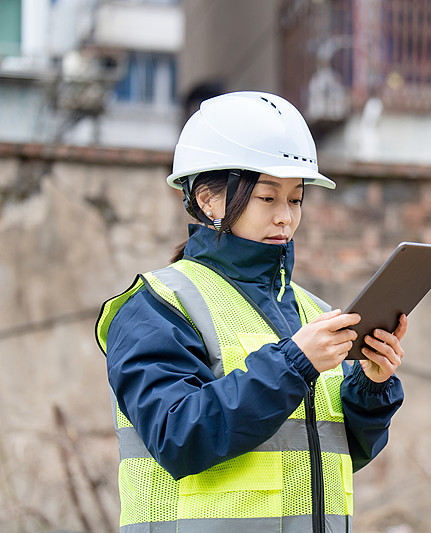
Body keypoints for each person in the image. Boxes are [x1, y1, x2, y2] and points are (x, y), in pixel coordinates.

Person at [95, 91, 406, 533]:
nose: (286, 218)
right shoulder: (157, 306)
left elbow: (338, 452)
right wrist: (295, 363)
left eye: (296, 200)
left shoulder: (309, 310)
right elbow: (179, 436)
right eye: (267, 198)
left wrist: (370, 387)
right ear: (208, 200)